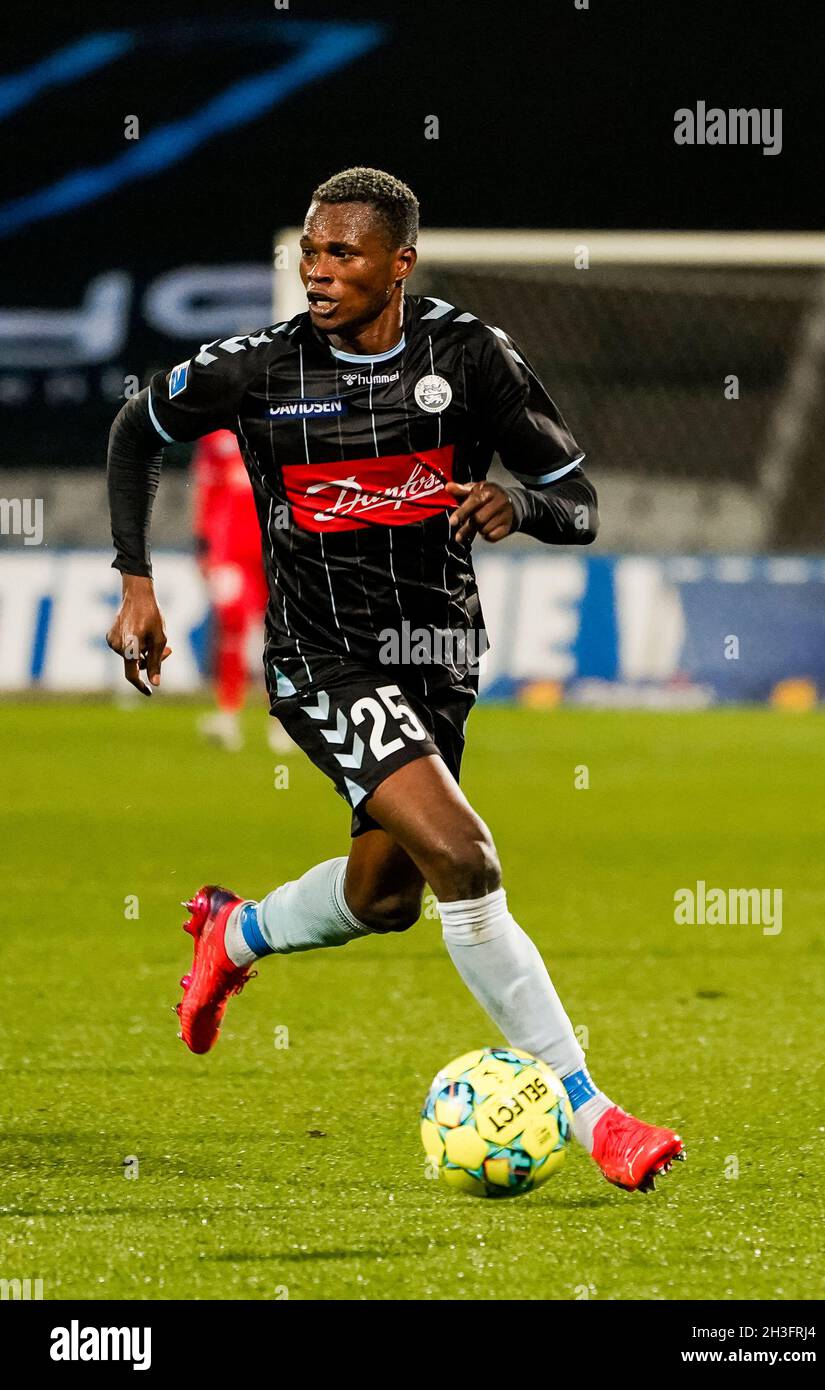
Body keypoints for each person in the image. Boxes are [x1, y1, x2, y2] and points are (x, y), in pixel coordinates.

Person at [106, 167, 684, 1192]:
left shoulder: (469, 359)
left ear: (399, 264)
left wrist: (519, 506)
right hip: (321, 657)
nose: (317, 271)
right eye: (311, 252)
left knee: (384, 898)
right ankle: (594, 1116)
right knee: (466, 857)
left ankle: (234, 931)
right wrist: (137, 581)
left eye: (343, 254)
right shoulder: (257, 369)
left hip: (440, 660)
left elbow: (579, 501)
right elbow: (134, 431)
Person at [191, 429, 291, 752]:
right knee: (232, 623)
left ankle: (282, 721)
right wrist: (203, 545)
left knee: (278, 632)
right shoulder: (215, 437)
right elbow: (205, 487)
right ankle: (228, 714)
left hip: (275, 546)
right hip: (229, 548)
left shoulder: (278, 421)